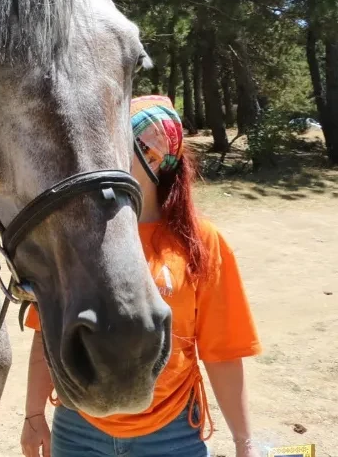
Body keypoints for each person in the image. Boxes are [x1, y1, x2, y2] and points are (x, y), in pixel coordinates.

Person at [20, 96, 262, 457]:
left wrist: (245, 443)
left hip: (171, 434)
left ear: (152, 158)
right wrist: (33, 414)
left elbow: (222, 352)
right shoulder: (76, 238)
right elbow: (48, 335)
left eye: (113, 144)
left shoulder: (200, 243)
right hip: (78, 428)